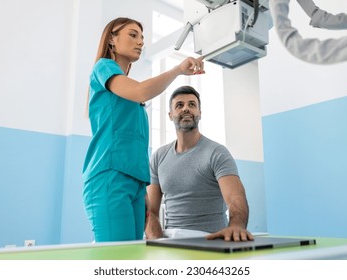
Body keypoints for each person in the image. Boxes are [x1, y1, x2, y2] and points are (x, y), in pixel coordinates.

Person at [82, 17, 204, 242]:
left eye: (142, 38)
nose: (140, 42)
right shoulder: (103, 68)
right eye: (133, 35)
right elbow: (141, 91)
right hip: (109, 177)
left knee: (133, 255)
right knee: (117, 261)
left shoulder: (128, 96)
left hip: (135, 183)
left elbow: (134, 145)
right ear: (112, 39)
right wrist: (178, 69)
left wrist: (142, 189)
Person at [145, 85, 253, 242]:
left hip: (209, 238)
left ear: (199, 113)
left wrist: (236, 225)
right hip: (171, 239)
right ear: (170, 115)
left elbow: (236, 198)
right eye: (179, 105)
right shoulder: (158, 157)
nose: (186, 109)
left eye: (192, 104)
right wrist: (158, 242)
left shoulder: (217, 153)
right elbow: (151, 212)